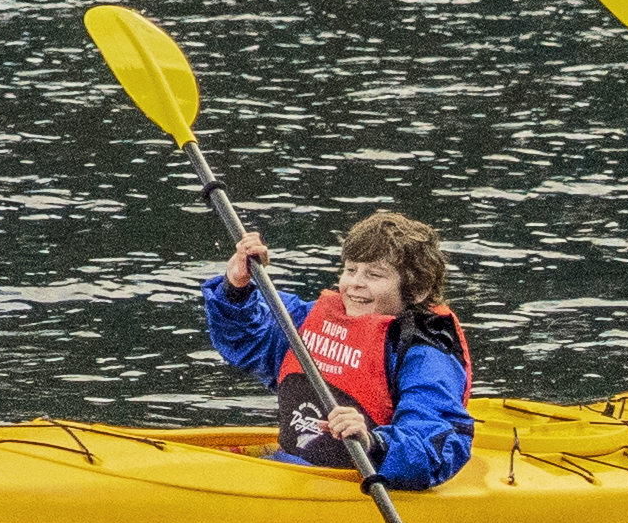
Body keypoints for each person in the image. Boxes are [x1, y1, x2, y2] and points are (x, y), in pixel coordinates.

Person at [204, 205, 477, 493]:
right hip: (290, 468)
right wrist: (237, 285)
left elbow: (440, 442)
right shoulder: (309, 319)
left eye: (374, 274)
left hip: (360, 486)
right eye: (351, 270)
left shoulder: (425, 353)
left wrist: (373, 441)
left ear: (416, 290)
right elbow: (244, 342)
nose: (356, 284)